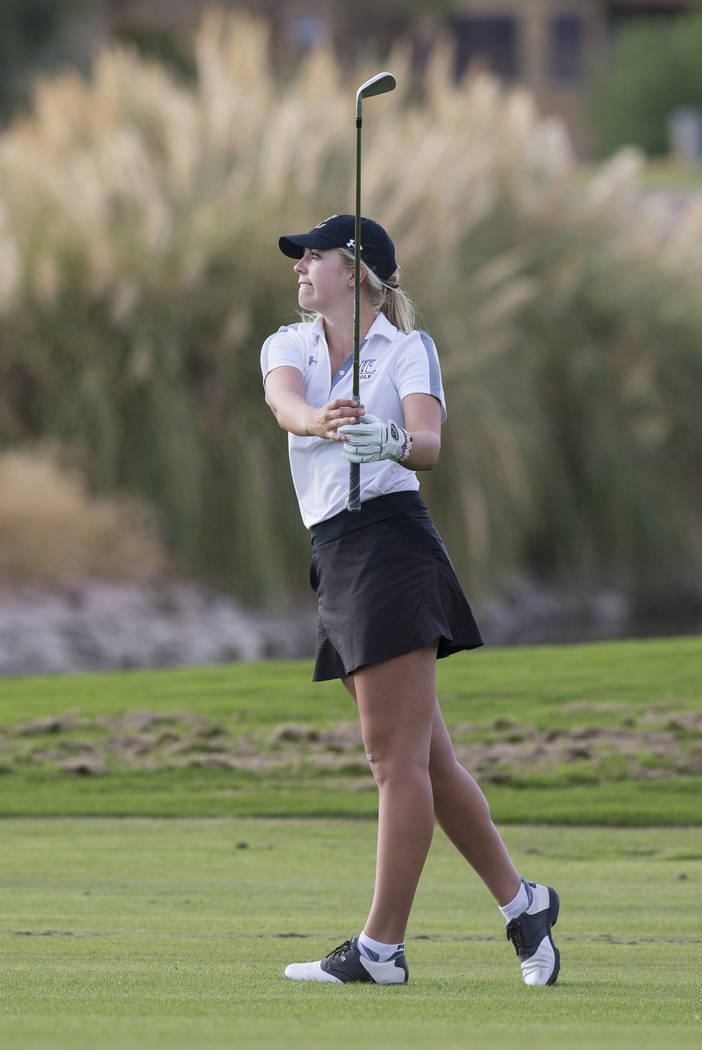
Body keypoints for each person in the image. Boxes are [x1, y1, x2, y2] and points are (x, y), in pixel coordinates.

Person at [260, 213, 560, 987]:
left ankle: (381, 950)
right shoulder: (289, 344)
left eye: (314, 256)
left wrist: (387, 441)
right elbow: (284, 405)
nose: (300, 268)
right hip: (335, 551)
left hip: (391, 545)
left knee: (393, 761)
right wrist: (323, 423)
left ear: (355, 270)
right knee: (427, 758)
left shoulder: (406, 349)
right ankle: (525, 906)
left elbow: (426, 442)